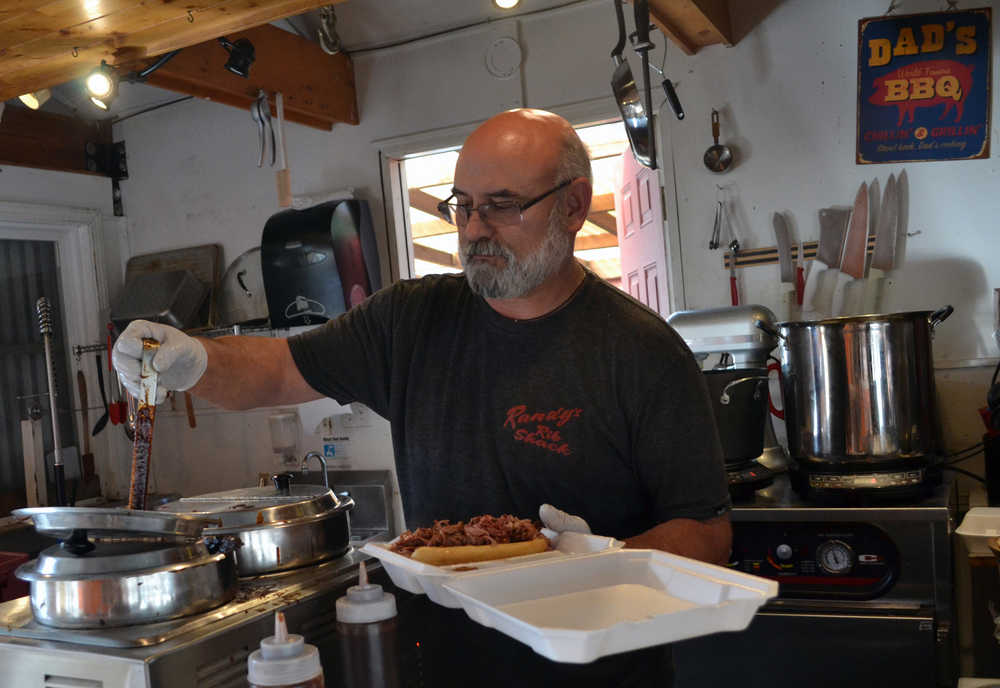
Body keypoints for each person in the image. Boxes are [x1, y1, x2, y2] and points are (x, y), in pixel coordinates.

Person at [114, 108, 731, 686]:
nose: (474, 230)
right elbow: (278, 369)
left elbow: (705, 532)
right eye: (462, 206)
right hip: (445, 665)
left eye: (501, 206)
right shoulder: (410, 320)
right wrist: (193, 360)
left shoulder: (641, 351)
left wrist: (596, 562)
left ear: (573, 206)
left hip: (597, 671)